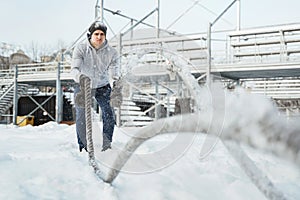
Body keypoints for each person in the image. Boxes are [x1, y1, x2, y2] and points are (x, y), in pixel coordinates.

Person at [71, 21, 120, 152]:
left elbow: (114, 71)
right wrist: (80, 77)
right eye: (96, 34)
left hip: (102, 85)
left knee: (109, 113)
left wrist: (115, 82)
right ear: (90, 35)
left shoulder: (112, 52)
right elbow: (74, 69)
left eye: (102, 34)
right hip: (83, 84)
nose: (99, 37)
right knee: (82, 115)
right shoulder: (81, 49)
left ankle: (107, 145)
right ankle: (83, 146)